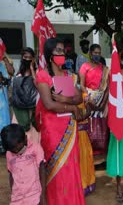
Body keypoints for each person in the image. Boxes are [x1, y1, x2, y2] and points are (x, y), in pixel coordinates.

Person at [36, 37, 85, 205]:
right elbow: (49, 104)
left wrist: (65, 99)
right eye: (58, 50)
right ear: (50, 55)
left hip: (69, 129)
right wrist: (71, 107)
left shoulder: (67, 76)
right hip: (52, 131)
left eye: (63, 51)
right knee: (57, 170)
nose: (62, 54)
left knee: (70, 167)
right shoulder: (43, 76)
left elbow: (78, 98)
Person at [1, 124, 46, 205]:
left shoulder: (35, 149)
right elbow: (11, 174)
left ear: (25, 138)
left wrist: (42, 195)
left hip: (34, 197)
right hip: (17, 198)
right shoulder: (9, 154)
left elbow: (42, 170)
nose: (16, 151)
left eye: (18, 148)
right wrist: (13, 193)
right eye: (13, 150)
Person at [79, 44, 109, 155]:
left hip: (102, 101)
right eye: (95, 53)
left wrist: (103, 102)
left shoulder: (104, 69)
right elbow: (81, 85)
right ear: (90, 53)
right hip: (89, 100)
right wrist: (89, 97)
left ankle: (101, 157)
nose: (97, 55)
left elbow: (107, 87)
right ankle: (90, 156)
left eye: (99, 53)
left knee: (101, 128)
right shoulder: (84, 67)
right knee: (90, 129)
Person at [11, 47, 39, 143]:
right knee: (22, 133)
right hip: (20, 109)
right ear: (22, 58)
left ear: (33, 59)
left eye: (29, 57)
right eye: (25, 57)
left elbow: (38, 85)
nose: (27, 59)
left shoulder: (37, 72)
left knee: (34, 135)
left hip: (32, 108)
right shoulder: (18, 74)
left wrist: (32, 69)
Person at [0, 55, 11, 153]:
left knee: (4, 122)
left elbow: (9, 77)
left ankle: (3, 145)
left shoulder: (2, 66)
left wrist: (4, 59)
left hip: (2, 100)